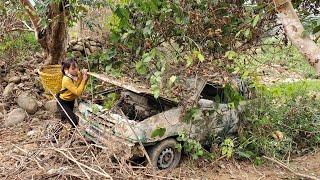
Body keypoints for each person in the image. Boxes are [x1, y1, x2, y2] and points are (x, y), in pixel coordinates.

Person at [56, 57, 88, 130]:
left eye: (77, 67)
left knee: (65, 119)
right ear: (67, 70)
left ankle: (66, 134)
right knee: (74, 122)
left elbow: (82, 84)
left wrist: (85, 76)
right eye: (73, 69)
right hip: (63, 102)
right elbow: (77, 92)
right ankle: (62, 135)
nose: (76, 70)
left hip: (71, 100)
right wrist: (83, 80)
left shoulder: (77, 74)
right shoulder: (66, 79)